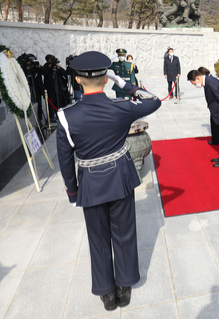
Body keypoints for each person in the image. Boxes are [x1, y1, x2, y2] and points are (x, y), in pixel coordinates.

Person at [56, 51, 161, 311]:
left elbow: (65, 160)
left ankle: (107, 292)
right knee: (124, 233)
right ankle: (124, 286)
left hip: (90, 184)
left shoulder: (66, 117)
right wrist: (124, 83)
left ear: (78, 80)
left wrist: (72, 192)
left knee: (98, 238)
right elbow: (154, 100)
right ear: (105, 79)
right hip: (120, 179)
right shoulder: (121, 107)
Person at [188, 68, 219, 167]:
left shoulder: (211, 82)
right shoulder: (207, 82)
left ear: (197, 78)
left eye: (194, 83)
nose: (195, 85)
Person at [42, 55, 69, 119]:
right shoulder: (46, 66)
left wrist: (58, 68)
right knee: (51, 103)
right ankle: (51, 116)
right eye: (49, 59)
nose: (50, 61)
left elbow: (64, 73)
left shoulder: (56, 67)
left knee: (58, 102)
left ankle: (58, 115)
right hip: (50, 88)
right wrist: (50, 67)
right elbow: (45, 73)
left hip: (58, 87)